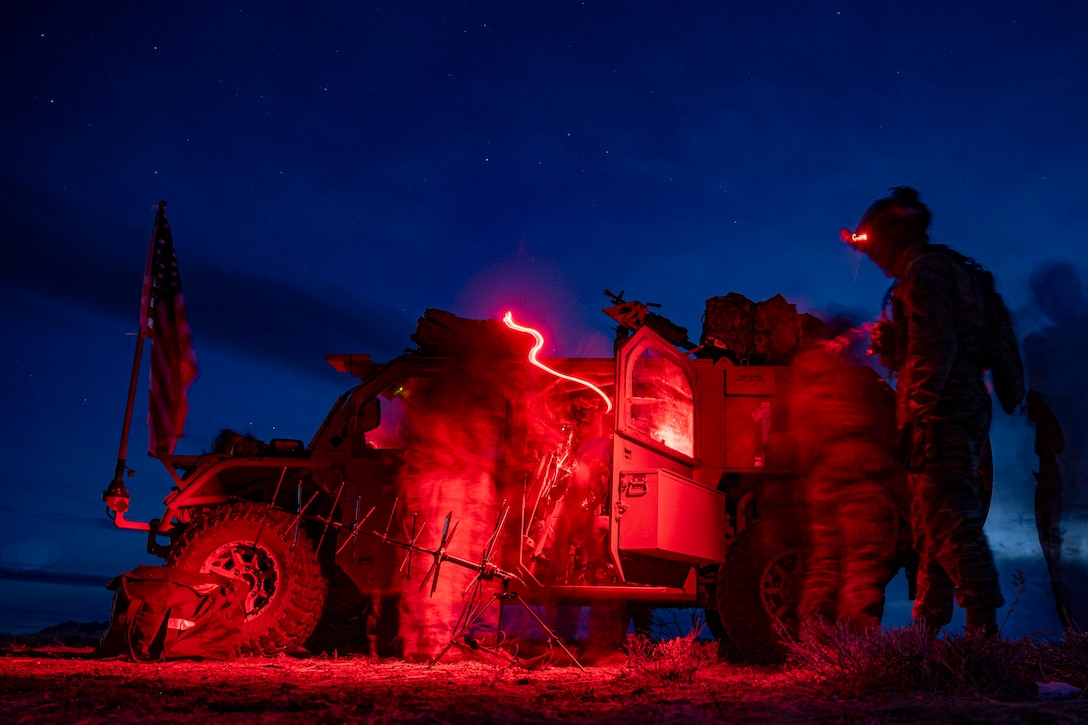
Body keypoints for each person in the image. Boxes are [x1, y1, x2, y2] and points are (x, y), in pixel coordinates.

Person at [842, 186, 1010, 637]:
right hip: (954, 410)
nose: (874, 258)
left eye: (875, 245)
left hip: (941, 415)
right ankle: (928, 629)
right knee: (930, 525)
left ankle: (982, 630)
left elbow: (936, 350)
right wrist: (897, 350)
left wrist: (916, 417)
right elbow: (934, 347)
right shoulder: (951, 270)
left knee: (951, 522)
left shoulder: (927, 273)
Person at [787, 324, 912, 634]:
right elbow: (893, 431)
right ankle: (855, 650)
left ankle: (814, 647)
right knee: (862, 567)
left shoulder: (806, 381)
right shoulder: (859, 381)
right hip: (862, 485)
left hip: (821, 484)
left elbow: (801, 442)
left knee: (823, 568)